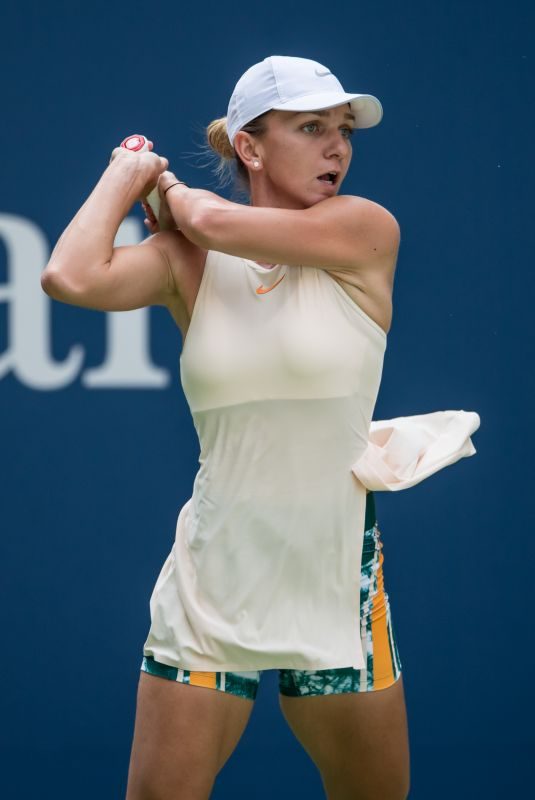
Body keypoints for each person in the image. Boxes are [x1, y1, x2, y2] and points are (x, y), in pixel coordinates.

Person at [42, 55, 410, 800]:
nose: (336, 147)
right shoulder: (188, 259)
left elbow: (208, 216)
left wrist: (167, 186)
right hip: (213, 582)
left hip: (336, 581)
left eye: (342, 130)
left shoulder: (364, 228)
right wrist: (125, 174)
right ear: (249, 146)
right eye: (311, 128)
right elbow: (69, 277)